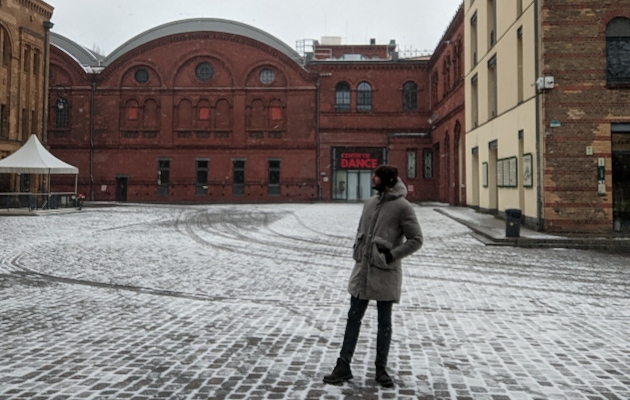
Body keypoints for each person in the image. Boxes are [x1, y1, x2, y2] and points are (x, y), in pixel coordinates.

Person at [323, 164, 423, 388]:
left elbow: (416, 239)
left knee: (383, 323)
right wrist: (357, 252)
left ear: (387, 180)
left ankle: (381, 369)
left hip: (385, 273)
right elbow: (361, 234)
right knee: (353, 319)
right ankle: (343, 365)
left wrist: (391, 256)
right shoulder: (369, 204)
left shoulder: (403, 207)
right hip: (362, 271)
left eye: (376, 176)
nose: (373, 178)